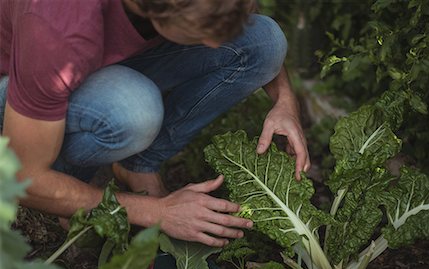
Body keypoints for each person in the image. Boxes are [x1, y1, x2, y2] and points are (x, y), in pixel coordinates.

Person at [0, 0, 310, 247]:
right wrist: (157, 213)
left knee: (263, 42)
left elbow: (239, 13)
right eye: (201, 29)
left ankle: (137, 164)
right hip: (17, 81)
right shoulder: (58, 27)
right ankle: (70, 194)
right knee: (132, 111)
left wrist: (285, 101)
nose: (216, 42)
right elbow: (22, 178)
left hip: (89, 57)